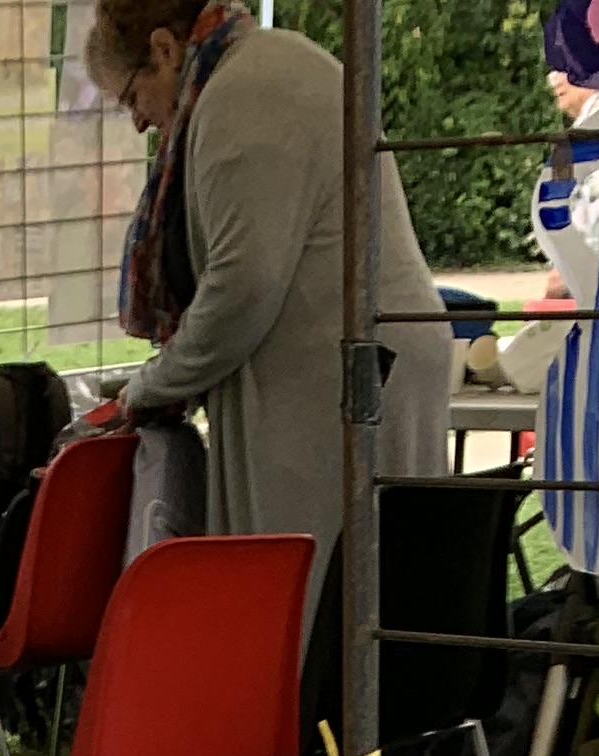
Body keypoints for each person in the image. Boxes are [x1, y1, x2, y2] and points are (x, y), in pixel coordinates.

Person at [89, 0, 448, 643]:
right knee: (379, 615)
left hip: (335, 382)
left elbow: (241, 290)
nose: (139, 119)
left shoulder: (240, 95)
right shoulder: (271, 65)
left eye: (131, 95)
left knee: (311, 623)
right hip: (364, 364)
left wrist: (153, 384)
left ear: (165, 50)